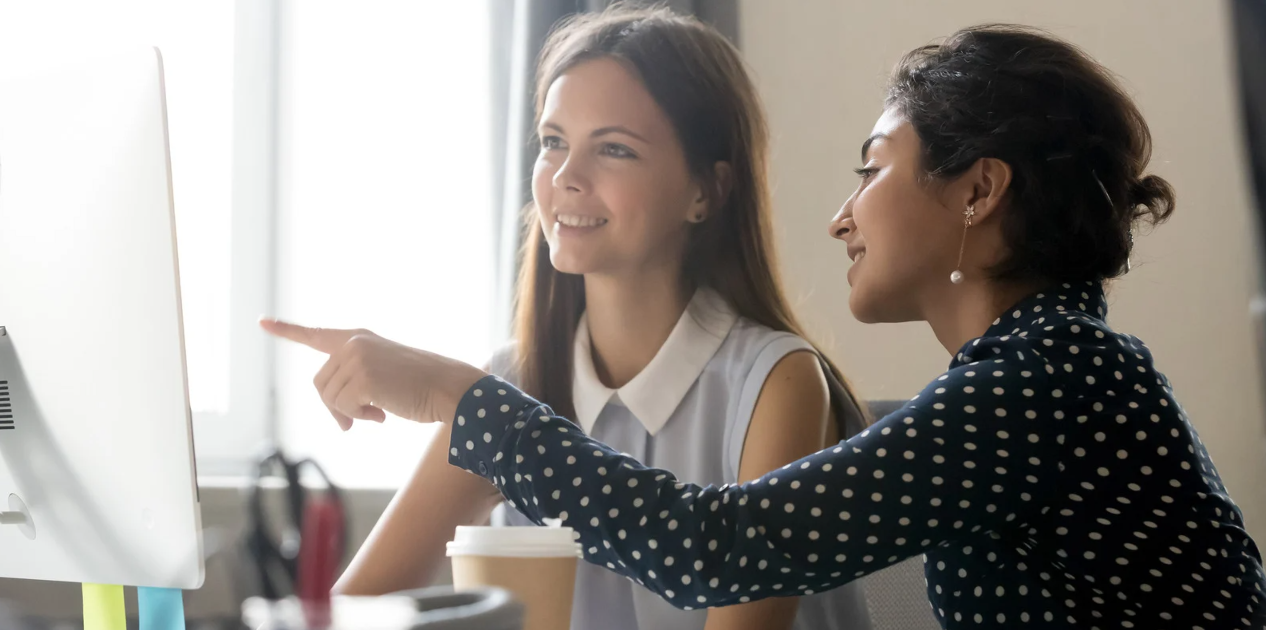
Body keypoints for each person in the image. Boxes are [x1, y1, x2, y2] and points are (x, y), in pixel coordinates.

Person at [265, 23, 1266, 629]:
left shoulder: (1047, 381)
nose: (842, 213)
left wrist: (457, 399)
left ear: (979, 191)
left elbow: (720, 548)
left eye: (871, 169)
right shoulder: (1045, 372)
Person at [263, 7, 873, 630]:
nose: (565, 177)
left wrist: (450, 393)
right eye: (553, 142)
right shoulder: (511, 382)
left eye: (614, 149)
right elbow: (346, 615)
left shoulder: (778, 383)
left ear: (706, 191)